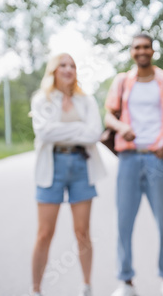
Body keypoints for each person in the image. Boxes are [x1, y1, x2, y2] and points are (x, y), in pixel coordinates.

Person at [105, 33, 163, 296]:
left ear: (153, 51)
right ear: (131, 52)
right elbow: (108, 115)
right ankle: (125, 281)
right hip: (128, 158)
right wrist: (121, 127)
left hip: (157, 158)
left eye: (146, 47)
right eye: (136, 47)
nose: (141, 51)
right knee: (123, 222)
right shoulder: (122, 81)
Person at [30, 53, 106, 296]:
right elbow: (44, 132)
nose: (68, 69)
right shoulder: (42, 99)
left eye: (72, 65)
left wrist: (63, 131)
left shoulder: (87, 100)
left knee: (82, 231)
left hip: (81, 165)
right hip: (52, 165)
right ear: (53, 70)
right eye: (62, 65)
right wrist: (78, 129)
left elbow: (94, 133)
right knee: (44, 233)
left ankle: (86, 286)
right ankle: (36, 289)